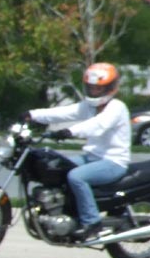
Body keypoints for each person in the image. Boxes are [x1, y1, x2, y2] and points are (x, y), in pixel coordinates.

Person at [27, 62, 130, 242]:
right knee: (57, 168)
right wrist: (32, 115)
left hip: (113, 162)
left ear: (110, 88)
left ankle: (92, 222)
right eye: (91, 87)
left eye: (99, 88)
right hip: (92, 158)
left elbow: (97, 125)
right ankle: (67, 214)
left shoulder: (117, 107)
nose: (94, 91)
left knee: (76, 176)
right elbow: (63, 112)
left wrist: (70, 131)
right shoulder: (89, 107)